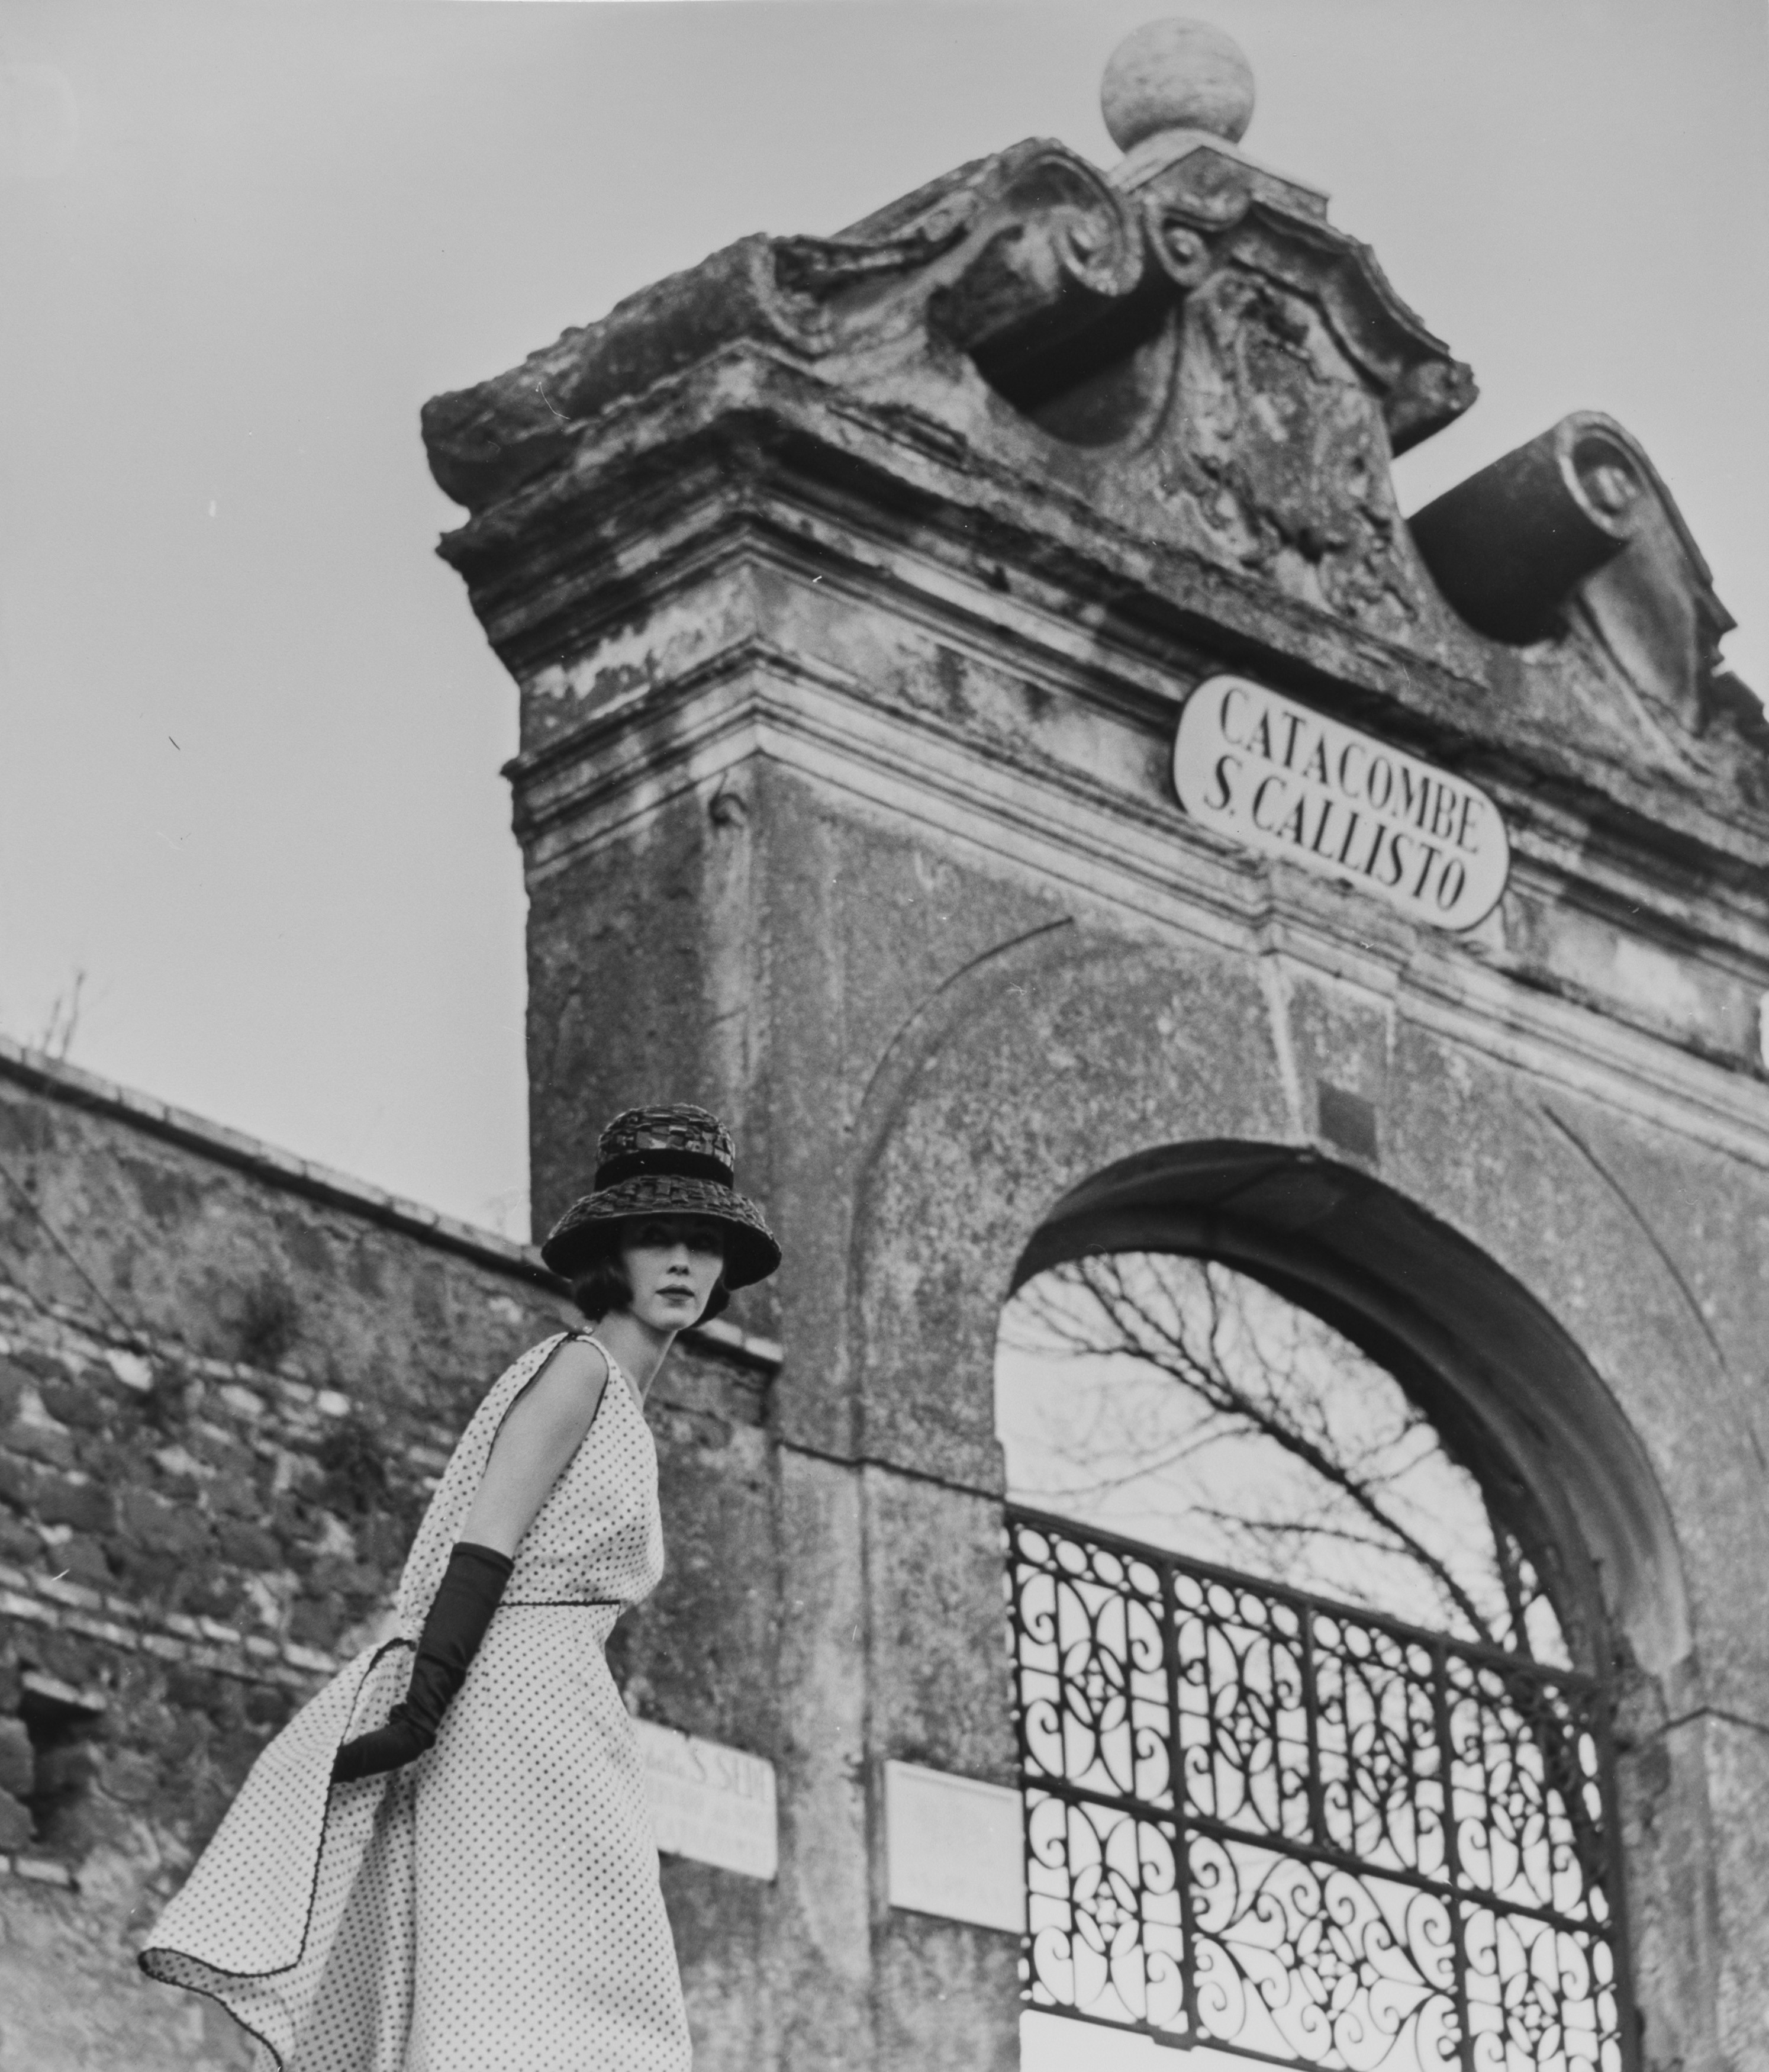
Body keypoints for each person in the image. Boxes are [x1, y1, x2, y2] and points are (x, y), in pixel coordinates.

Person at [139, 1104, 780, 2072]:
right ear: (614, 1253)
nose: (683, 1262)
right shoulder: (578, 1371)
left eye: (703, 1241)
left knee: (576, 1982)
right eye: (657, 1237)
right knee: (523, 1986)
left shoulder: (621, 1399)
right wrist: (422, 1709)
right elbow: (483, 1547)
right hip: (508, 1704)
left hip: (564, 1706)